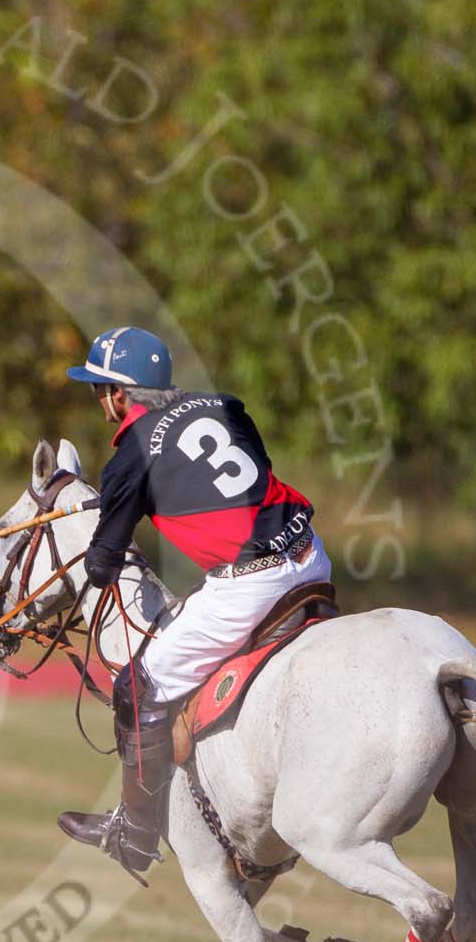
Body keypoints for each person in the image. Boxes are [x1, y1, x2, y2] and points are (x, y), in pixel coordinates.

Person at [53, 326, 328, 884]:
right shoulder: (223, 404)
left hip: (252, 584)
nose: (97, 400)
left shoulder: (130, 455)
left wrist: (104, 526)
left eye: (98, 388)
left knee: (138, 685)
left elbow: (104, 563)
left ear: (121, 393)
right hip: (312, 555)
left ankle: (133, 830)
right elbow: (254, 474)